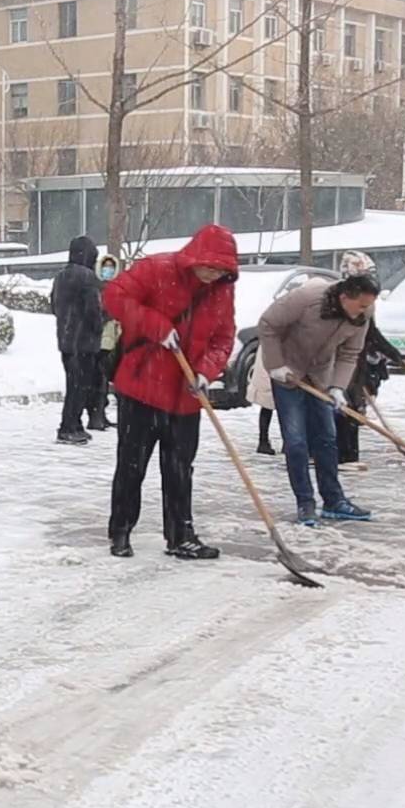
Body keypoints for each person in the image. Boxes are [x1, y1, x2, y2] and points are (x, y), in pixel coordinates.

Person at [102, 224, 238, 560]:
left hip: (186, 396)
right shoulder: (157, 268)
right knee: (132, 465)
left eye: (221, 269)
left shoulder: (222, 291)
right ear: (194, 257)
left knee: (180, 469)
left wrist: (206, 372)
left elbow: (223, 338)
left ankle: (180, 535)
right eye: (208, 266)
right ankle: (120, 531)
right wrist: (156, 326)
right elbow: (114, 296)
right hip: (142, 388)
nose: (213, 274)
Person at [258, 273, 381, 526]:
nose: (364, 312)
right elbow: (268, 323)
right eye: (361, 306)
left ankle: (334, 501)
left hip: (320, 376)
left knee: (327, 439)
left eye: (368, 307)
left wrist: (338, 387)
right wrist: (276, 365)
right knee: (296, 442)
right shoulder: (306, 299)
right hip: (288, 372)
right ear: (345, 296)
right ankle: (305, 504)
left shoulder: (363, 314)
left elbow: (350, 352)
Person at [330, 252, 404, 467]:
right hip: (337, 360)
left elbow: (370, 331)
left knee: (352, 407)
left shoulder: (366, 301)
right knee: (342, 407)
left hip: (355, 360)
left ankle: (348, 455)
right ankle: (339, 454)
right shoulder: (341, 297)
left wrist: (391, 352)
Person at [51, 236, 106, 445]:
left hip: (66, 341)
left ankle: (74, 424)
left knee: (73, 384)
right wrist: (99, 326)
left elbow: (53, 306)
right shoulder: (88, 277)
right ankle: (69, 426)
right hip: (84, 342)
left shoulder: (60, 276)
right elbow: (94, 310)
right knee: (80, 387)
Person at [90, 254, 121, 431]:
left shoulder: (117, 287)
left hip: (112, 340)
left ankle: (101, 414)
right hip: (99, 340)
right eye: (104, 267)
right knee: (98, 381)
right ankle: (96, 415)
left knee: (105, 381)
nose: (107, 270)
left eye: (110, 267)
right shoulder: (96, 288)